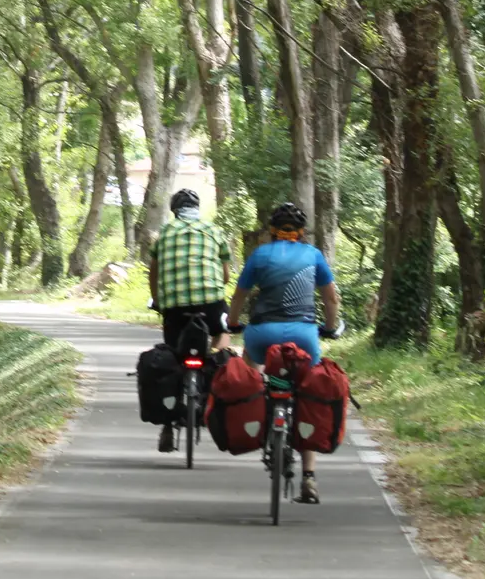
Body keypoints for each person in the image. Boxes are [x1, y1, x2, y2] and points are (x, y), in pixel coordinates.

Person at [227, 201, 343, 503]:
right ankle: (309, 477)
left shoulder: (260, 255)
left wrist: (233, 322)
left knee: (248, 368)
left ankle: (252, 413)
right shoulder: (313, 255)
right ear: (301, 232)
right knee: (308, 393)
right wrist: (330, 328)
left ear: (271, 231)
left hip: (262, 335)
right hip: (304, 336)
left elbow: (240, 295)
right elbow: (331, 299)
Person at [146, 188, 233, 453]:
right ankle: (217, 360)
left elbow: (154, 274)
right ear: (198, 208)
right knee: (224, 330)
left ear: (175, 210)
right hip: (210, 303)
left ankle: (168, 427)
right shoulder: (214, 231)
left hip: (174, 307)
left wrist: (158, 300)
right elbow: (227, 276)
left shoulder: (163, 235)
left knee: (173, 355)